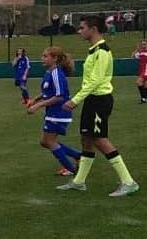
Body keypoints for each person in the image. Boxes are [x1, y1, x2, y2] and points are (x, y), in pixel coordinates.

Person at [57, 15, 139, 196]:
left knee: (99, 139)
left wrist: (75, 100)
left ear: (93, 29)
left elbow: (95, 81)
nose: (80, 31)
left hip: (100, 100)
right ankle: (79, 182)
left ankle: (128, 181)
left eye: (82, 27)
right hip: (92, 100)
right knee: (86, 139)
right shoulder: (94, 50)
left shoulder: (102, 51)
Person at [26, 47, 81, 177]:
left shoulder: (56, 73)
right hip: (53, 113)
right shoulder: (49, 72)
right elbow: (47, 91)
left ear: (55, 58)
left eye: (45, 56)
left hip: (59, 113)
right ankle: (77, 156)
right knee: (45, 141)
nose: (42, 59)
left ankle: (72, 169)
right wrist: (35, 99)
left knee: (48, 142)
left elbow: (59, 96)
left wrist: (37, 106)